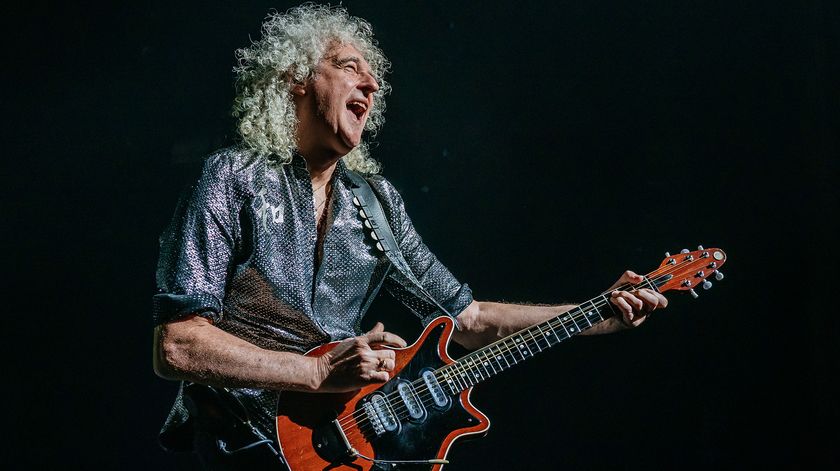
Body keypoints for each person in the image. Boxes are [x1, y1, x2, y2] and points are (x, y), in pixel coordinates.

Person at [151, 4, 668, 469]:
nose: (371, 86)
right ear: (297, 77)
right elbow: (176, 344)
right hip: (236, 444)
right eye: (349, 66)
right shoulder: (232, 177)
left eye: (374, 78)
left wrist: (597, 312)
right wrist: (316, 373)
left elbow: (469, 319)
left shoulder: (377, 202)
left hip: (328, 452)